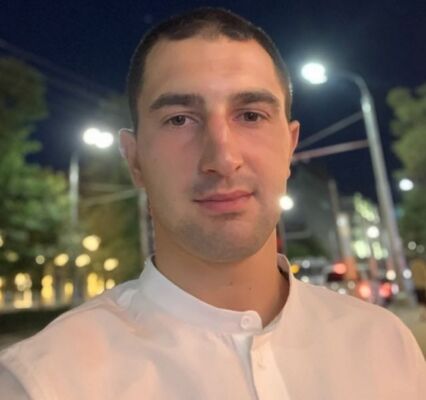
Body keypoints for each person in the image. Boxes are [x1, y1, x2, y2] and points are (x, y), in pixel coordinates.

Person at [1, 7, 425, 399]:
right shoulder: (42, 383)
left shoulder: (384, 345)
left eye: (251, 115)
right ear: (135, 160)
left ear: (290, 146)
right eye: (179, 119)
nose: (222, 158)